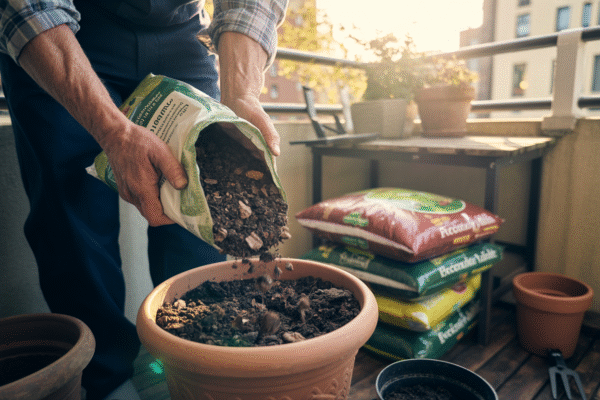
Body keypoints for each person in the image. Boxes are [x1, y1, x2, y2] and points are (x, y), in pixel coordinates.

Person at [0, 0, 288, 399]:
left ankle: (197, 367)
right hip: (62, 31)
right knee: (72, 220)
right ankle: (107, 380)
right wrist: (114, 131)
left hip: (179, 32)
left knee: (204, 213)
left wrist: (240, 93)